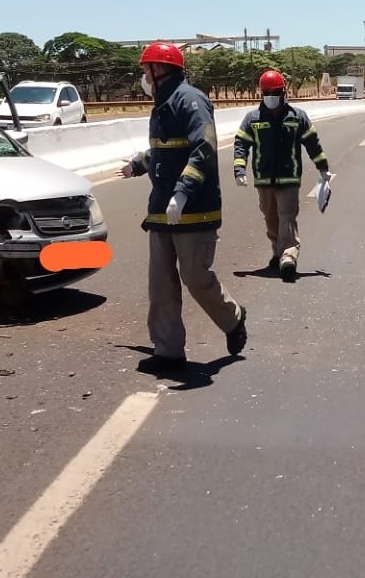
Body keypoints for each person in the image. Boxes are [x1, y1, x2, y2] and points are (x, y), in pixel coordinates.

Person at [119, 41, 247, 370]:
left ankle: (233, 318)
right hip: (162, 208)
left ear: (158, 71)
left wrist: (183, 190)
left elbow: (203, 147)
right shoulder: (162, 104)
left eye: (146, 70)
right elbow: (166, 151)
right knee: (160, 283)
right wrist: (139, 164)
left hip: (194, 207)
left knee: (194, 277)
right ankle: (168, 350)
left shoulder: (191, 100)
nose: (143, 77)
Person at [233, 69, 331, 281]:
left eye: (275, 92)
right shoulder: (252, 118)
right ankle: (278, 251)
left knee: (287, 216)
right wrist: (239, 170)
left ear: (283, 92)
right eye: (267, 92)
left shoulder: (297, 117)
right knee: (271, 218)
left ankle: (288, 256)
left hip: (289, 178)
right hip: (264, 178)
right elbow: (241, 143)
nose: (271, 96)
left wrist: (323, 167)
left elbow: (312, 143)